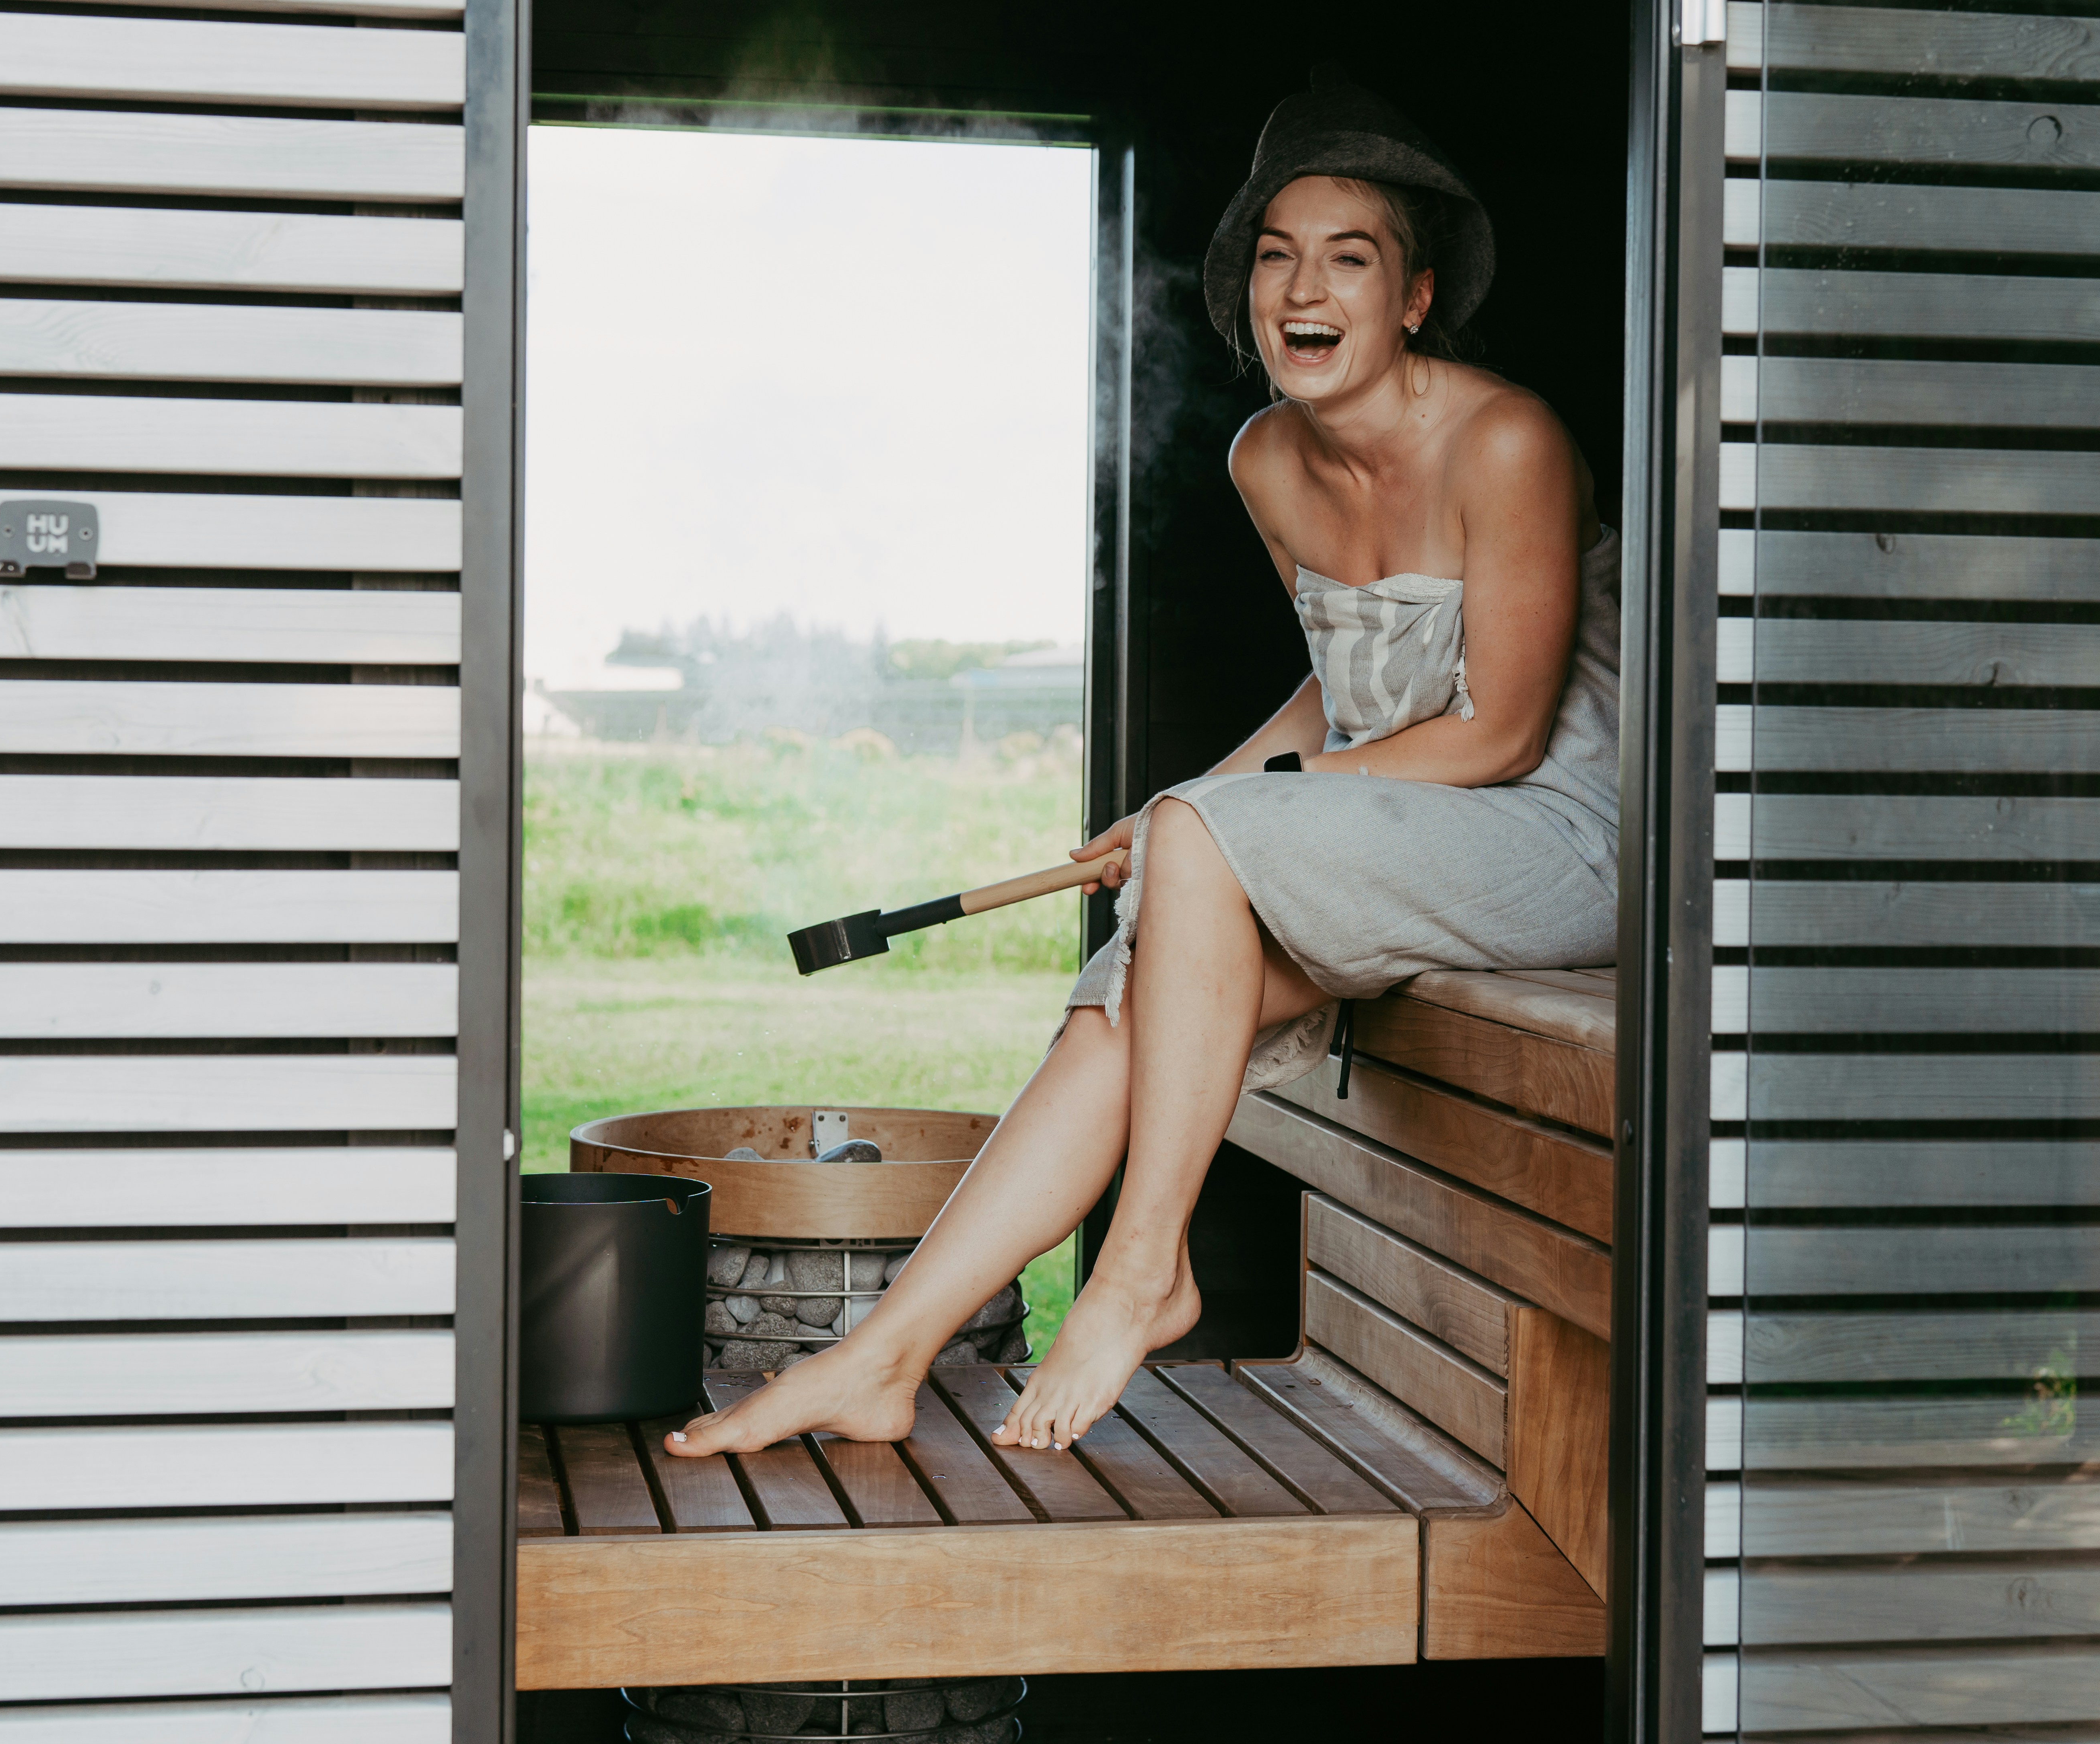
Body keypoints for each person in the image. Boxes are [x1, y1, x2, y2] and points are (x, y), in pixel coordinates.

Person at [668, 72, 1618, 1461]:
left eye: (1349, 257)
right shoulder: (1269, 464)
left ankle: (1138, 1271)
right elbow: (1343, 691)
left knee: (1197, 847)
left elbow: (1498, 733)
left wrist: (1215, 817)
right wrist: (1190, 807)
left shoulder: (1506, 439)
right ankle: (883, 1356)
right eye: (1277, 257)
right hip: (1420, 835)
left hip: (1560, 841)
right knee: (1128, 995)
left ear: (1415, 297)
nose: (1305, 285)